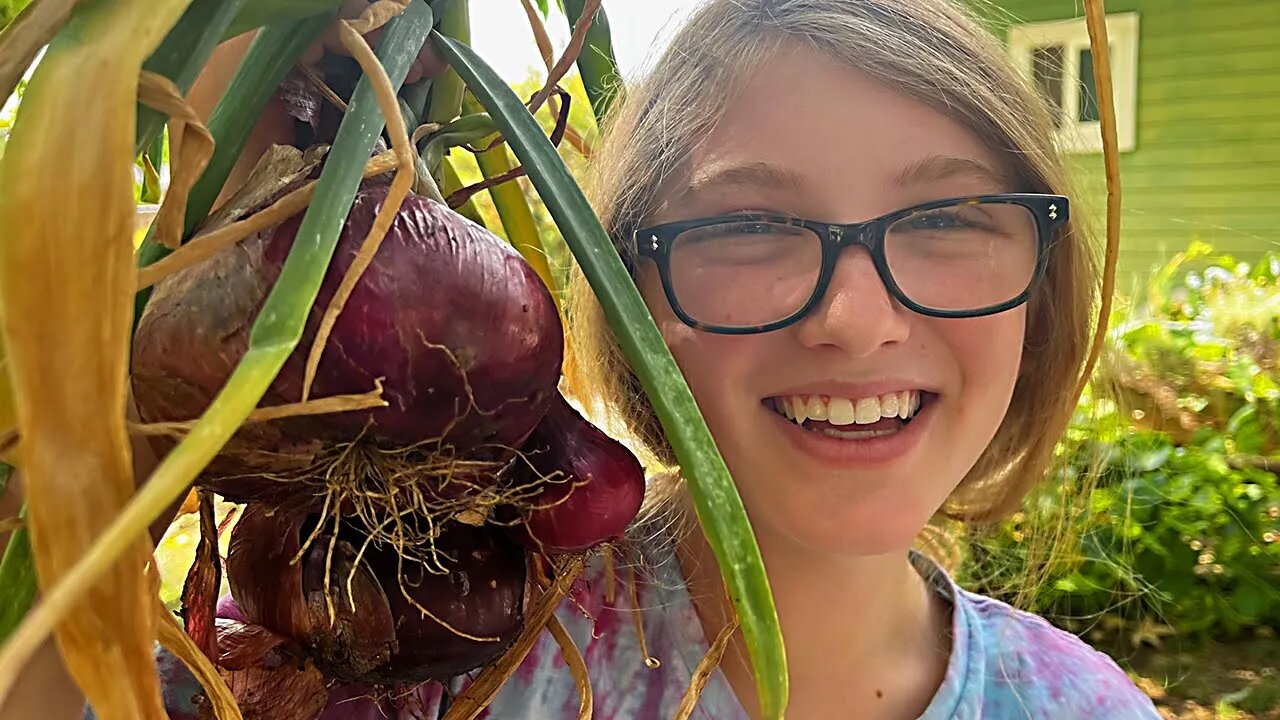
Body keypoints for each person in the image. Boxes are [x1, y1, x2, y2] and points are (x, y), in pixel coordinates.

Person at [30, 0, 1163, 718]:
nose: (854, 320)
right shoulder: (435, 643)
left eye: (947, 219)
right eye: (749, 227)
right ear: (632, 295)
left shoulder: (1075, 706)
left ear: (1041, 279)